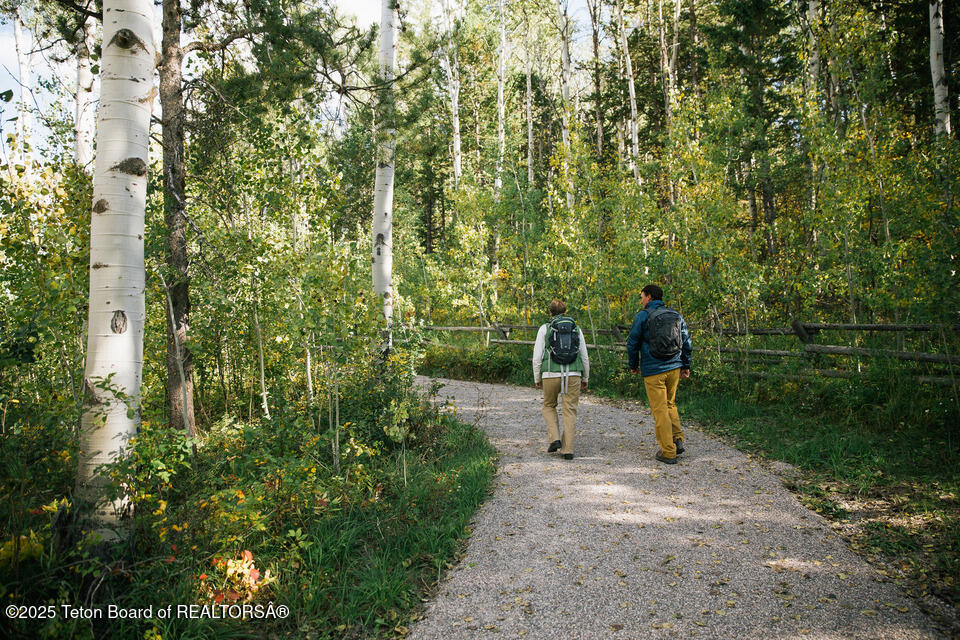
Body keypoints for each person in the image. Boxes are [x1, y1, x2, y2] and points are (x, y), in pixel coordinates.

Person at [626, 285, 692, 464]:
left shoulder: (643, 316)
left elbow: (632, 342)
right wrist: (685, 364)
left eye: (642, 297)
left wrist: (633, 365)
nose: (641, 300)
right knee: (670, 404)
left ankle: (668, 452)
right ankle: (677, 439)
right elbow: (686, 340)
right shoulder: (675, 315)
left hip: (654, 370)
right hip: (674, 367)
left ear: (648, 296)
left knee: (660, 410)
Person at [532, 300, 589, 460]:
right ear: (565, 312)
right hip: (573, 374)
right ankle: (568, 450)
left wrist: (537, 376)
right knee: (570, 410)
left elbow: (537, 357)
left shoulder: (545, 328)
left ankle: (555, 438)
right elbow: (584, 354)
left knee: (549, 405)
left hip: (550, 373)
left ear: (550, 313)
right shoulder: (576, 328)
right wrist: (585, 376)